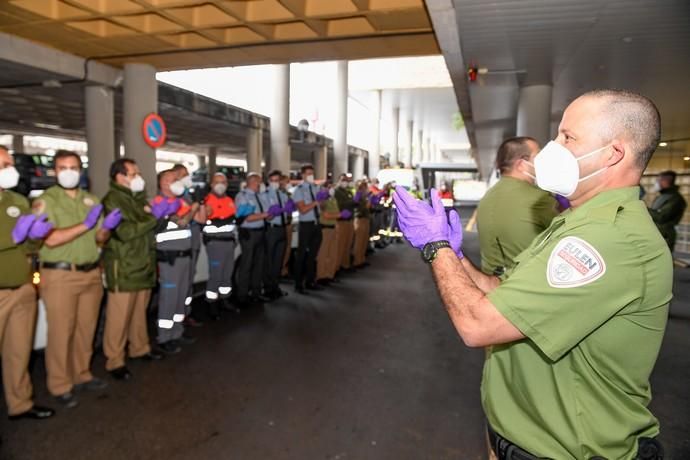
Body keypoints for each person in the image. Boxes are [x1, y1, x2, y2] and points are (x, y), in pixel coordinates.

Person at [394, 89, 669, 459]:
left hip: (565, 450)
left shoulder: (608, 238)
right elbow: (503, 293)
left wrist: (435, 248)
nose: (553, 148)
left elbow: (478, 324)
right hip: (521, 437)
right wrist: (456, 257)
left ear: (614, 153)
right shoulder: (576, 222)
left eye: (568, 137)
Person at [33, 150, 121, 408]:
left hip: (90, 273)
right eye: (63, 167)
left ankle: (82, 374)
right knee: (62, 332)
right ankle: (60, 384)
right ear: (55, 171)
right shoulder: (46, 201)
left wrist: (106, 228)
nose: (69, 172)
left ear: (80, 170)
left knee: (86, 329)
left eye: (73, 167)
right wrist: (86, 224)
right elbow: (50, 238)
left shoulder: (91, 200)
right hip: (60, 275)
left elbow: (98, 239)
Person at [0, 146, 55, 421]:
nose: (10, 169)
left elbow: (28, 245)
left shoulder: (17, 200)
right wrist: (15, 236)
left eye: (9, 163)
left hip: (22, 287)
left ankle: (20, 403)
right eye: (3, 164)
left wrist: (35, 236)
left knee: (18, 352)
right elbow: (14, 238)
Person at [102, 159, 165, 381]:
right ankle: (115, 360)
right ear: (120, 177)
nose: (138, 177)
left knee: (139, 312)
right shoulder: (113, 200)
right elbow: (125, 232)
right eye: (133, 173)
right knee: (119, 318)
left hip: (143, 263)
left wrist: (158, 217)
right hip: (125, 266)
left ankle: (140, 348)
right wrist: (151, 218)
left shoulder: (137, 199)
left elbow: (148, 226)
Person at [476, 137, 559, 276]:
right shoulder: (540, 199)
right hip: (526, 286)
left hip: (490, 286)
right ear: (521, 164)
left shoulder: (486, 199)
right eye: (538, 156)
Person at [153, 170, 197, 354]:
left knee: (180, 296)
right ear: (162, 184)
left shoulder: (181, 201)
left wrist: (192, 206)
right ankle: (164, 337)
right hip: (169, 258)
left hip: (184, 256)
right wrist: (193, 208)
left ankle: (177, 332)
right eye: (170, 180)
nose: (174, 182)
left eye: (176, 179)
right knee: (169, 299)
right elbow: (182, 221)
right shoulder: (159, 202)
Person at [171, 163, 205, 327]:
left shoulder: (187, 194)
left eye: (187, 174)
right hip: (181, 243)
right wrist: (194, 208)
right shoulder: (173, 197)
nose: (187, 177)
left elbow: (200, 218)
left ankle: (185, 312)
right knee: (180, 282)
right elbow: (184, 218)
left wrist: (200, 203)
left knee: (189, 279)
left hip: (193, 241)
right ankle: (178, 316)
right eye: (183, 174)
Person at [202, 172, 237, 319]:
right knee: (215, 275)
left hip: (229, 242)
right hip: (215, 243)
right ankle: (212, 304)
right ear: (211, 184)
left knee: (227, 274)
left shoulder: (230, 200)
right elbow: (206, 219)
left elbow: (233, 220)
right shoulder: (207, 200)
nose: (220, 185)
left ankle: (225, 300)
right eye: (217, 182)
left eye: (223, 182)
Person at [234, 172, 270, 307]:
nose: (260, 185)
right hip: (249, 233)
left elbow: (265, 214)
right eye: (258, 182)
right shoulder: (242, 196)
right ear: (252, 182)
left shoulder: (260, 196)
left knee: (259, 264)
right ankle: (242, 295)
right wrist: (266, 214)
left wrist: (271, 214)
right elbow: (247, 217)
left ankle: (256, 292)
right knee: (246, 264)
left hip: (261, 231)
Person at [292, 164, 328, 294]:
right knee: (301, 254)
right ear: (302, 175)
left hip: (316, 223)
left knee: (313, 255)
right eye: (308, 173)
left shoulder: (316, 187)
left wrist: (324, 199)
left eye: (312, 173)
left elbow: (322, 207)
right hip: (306, 224)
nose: (311, 176)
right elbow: (302, 209)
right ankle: (298, 283)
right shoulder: (299, 190)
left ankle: (310, 281)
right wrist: (316, 202)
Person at [262, 169, 290, 300]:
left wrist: (289, 208)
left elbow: (288, 211)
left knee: (278, 260)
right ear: (268, 181)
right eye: (272, 181)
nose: (275, 183)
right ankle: (267, 288)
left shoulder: (283, 195)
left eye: (277, 181)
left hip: (282, 229)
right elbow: (266, 216)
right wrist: (272, 212)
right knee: (269, 260)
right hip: (271, 229)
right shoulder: (265, 195)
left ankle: (275, 286)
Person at [316, 180, 350, 285]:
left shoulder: (333, 199)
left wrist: (338, 218)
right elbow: (325, 215)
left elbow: (335, 212)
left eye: (331, 186)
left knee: (332, 253)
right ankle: (321, 276)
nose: (330, 189)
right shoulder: (322, 199)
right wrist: (340, 215)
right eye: (328, 187)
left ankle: (329, 274)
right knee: (323, 254)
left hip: (333, 227)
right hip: (325, 228)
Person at [649, 170, 687, 251]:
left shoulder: (675, 198)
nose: (656, 183)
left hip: (665, 236)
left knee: (664, 261)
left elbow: (661, 217)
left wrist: (644, 208)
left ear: (664, 181)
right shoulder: (662, 196)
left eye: (658, 180)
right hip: (657, 234)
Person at [334, 173, 355, 271]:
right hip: (341, 221)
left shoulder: (347, 191)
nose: (345, 182)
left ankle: (345, 264)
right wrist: (352, 202)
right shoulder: (337, 191)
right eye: (343, 180)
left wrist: (355, 201)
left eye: (346, 180)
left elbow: (351, 203)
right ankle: (336, 267)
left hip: (349, 220)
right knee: (340, 245)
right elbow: (340, 205)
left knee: (347, 244)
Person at [352, 180, 371, 268]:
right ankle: (357, 261)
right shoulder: (358, 195)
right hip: (360, 219)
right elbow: (356, 206)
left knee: (364, 240)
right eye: (364, 186)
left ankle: (361, 259)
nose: (365, 188)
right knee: (359, 241)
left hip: (365, 218)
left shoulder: (364, 196)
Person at [280, 174, 295, 278]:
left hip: (289, 223)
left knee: (288, 248)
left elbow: (292, 208)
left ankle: (284, 269)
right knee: (281, 248)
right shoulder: (278, 193)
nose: (287, 183)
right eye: (286, 181)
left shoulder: (288, 194)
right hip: (282, 224)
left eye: (288, 181)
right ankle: (279, 269)